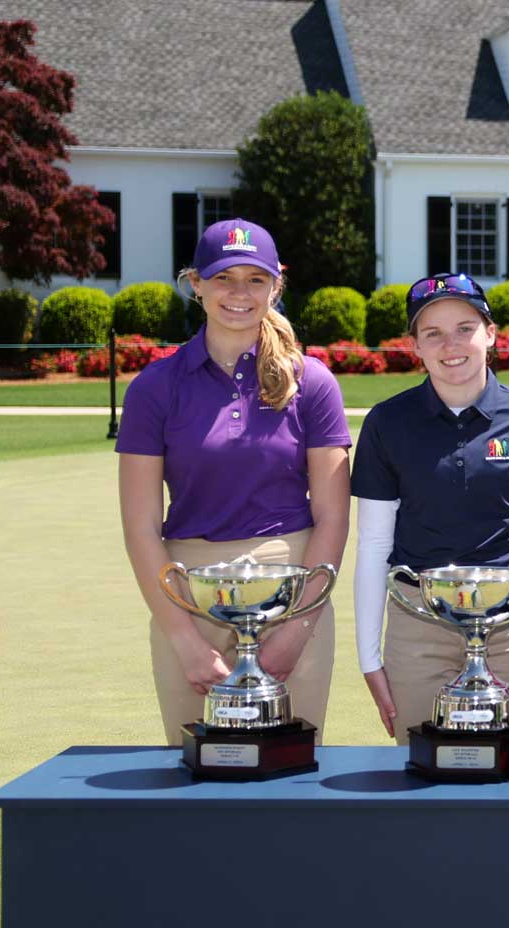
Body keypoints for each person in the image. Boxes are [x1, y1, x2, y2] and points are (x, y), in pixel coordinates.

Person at [117, 219, 351, 747]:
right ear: (196, 283)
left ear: (276, 286)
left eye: (255, 279)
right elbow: (140, 527)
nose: (239, 293)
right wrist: (185, 641)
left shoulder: (312, 382)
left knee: (291, 763)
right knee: (196, 764)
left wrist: (296, 631)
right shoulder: (155, 387)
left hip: (294, 588)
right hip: (187, 593)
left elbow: (333, 517)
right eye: (224, 278)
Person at [350, 274, 509, 737]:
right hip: (418, 622)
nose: (450, 345)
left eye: (465, 328)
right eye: (432, 333)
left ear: (490, 334)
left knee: (503, 763)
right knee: (421, 764)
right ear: (414, 345)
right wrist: (369, 659)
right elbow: (373, 545)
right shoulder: (386, 422)